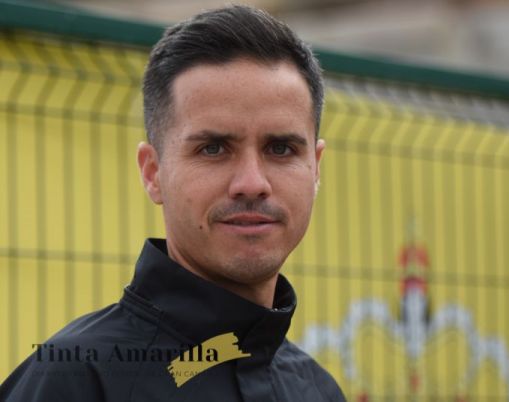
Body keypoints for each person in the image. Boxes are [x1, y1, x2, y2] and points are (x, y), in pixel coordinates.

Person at [0, 5, 345, 401]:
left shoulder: (318, 390)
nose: (252, 183)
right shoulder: (75, 380)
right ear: (153, 173)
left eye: (280, 148)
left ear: (315, 168)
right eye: (213, 148)